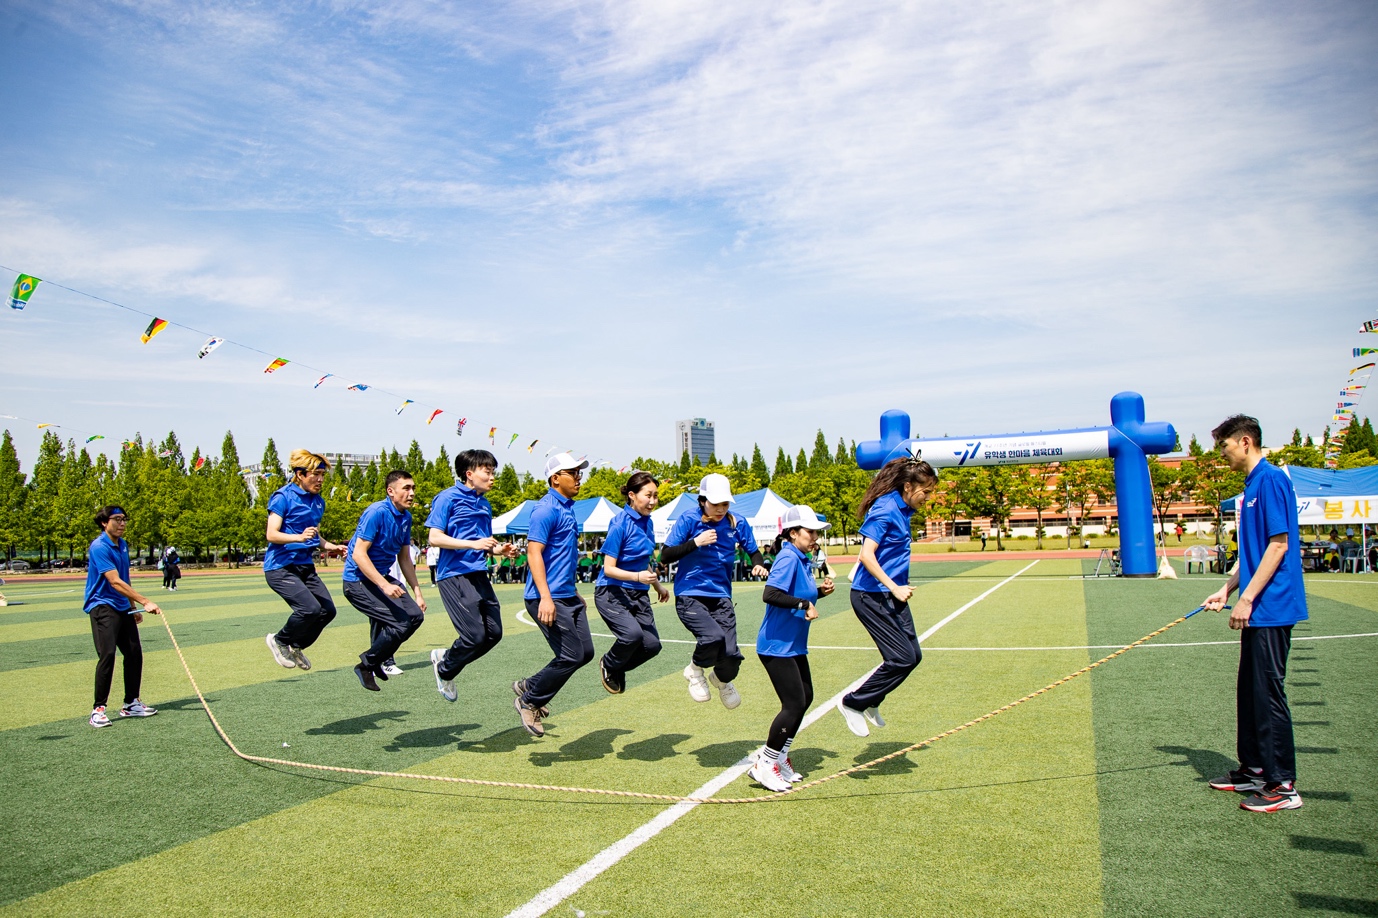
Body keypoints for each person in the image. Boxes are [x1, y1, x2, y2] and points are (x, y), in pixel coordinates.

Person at [1203, 415, 1307, 812]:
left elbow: (1278, 546)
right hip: (1256, 604)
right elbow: (1252, 552)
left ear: (1245, 441)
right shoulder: (1250, 486)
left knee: (1268, 693)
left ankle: (1283, 785)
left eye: (1225, 446)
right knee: (1249, 691)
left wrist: (1247, 599)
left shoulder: (1272, 480)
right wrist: (1227, 589)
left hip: (1273, 605)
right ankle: (1255, 770)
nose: (1222, 453)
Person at [837, 456, 938, 737]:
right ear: (908, 486)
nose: (927, 498)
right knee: (902, 658)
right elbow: (867, 554)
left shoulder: (903, 508)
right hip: (872, 597)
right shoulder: (884, 510)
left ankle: (872, 701)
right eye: (925, 491)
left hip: (892, 596)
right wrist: (894, 586)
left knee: (913, 656)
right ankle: (852, 703)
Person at [661, 473, 768, 708]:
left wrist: (758, 564)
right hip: (690, 593)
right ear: (703, 500)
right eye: (716, 503)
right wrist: (696, 543)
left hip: (721, 596)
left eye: (725, 503)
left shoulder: (736, 522)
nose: (721, 509)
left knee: (731, 656)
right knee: (713, 638)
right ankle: (694, 670)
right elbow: (665, 555)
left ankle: (721, 680)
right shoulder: (688, 519)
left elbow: (753, 550)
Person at [750, 505, 835, 792]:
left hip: (794, 645)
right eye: (810, 532)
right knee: (794, 704)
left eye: (815, 533)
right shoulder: (788, 557)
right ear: (793, 533)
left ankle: (780, 756)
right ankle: (765, 763)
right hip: (776, 646)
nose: (815, 538)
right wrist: (804, 604)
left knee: (806, 697)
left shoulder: (802, 558)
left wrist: (818, 594)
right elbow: (770, 594)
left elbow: (799, 593)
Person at [426, 449, 519, 702]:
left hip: (479, 574)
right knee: (474, 636)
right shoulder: (447, 498)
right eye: (487, 472)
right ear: (469, 474)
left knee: (494, 634)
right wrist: (472, 545)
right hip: (454, 575)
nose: (492, 478)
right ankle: (445, 668)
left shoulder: (484, 504)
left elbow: (484, 543)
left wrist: (500, 549)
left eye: (492, 473)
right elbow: (434, 538)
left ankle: (447, 659)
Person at [513, 452, 593, 737]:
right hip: (546, 597)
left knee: (585, 653)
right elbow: (534, 553)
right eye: (573, 473)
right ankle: (530, 701)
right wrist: (546, 597)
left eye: (579, 473)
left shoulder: (568, 508)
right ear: (555, 478)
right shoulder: (545, 509)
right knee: (571, 655)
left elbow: (563, 558)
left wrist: (574, 592)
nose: (579, 478)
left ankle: (529, 686)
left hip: (568, 595)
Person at [341, 470, 427, 691]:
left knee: (415, 616)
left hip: (381, 579)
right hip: (357, 581)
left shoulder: (406, 517)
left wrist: (417, 592)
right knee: (400, 623)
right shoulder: (376, 513)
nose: (411, 493)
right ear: (391, 491)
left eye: (413, 488)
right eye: (406, 488)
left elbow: (405, 557)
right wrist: (384, 584)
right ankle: (367, 664)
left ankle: (375, 660)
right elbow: (359, 554)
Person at [264, 451, 346, 672]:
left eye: (323, 475)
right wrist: (298, 537)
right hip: (281, 567)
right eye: (316, 474)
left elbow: (314, 536)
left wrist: (331, 547)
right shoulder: (283, 497)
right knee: (309, 609)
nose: (320, 480)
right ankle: (279, 640)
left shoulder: (318, 501)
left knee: (328, 610)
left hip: (305, 567)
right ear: (300, 474)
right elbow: (271, 534)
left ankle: (296, 645)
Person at [83, 506, 161, 727]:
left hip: (121, 606)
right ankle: (98, 710)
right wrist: (146, 601)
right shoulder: (99, 547)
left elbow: (124, 579)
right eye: (117, 519)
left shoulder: (123, 545)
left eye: (124, 519)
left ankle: (131, 703)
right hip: (102, 606)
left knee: (134, 652)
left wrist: (133, 605)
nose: (122, 523)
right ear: (104, 523)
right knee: (107, 655)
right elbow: (114, 581)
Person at [593, 471, 669, 695]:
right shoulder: (619, 524)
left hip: (639, 593)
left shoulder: (649, 523)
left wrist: (657, 586)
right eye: (648, 495)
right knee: (632, 636)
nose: (653, 501)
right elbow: (608, 568)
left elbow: (642, 561)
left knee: (652, 646)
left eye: (656, 496)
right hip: (612, 591)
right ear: (632, 495)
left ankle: (616, 667)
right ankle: (609, 663)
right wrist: (637, 577)